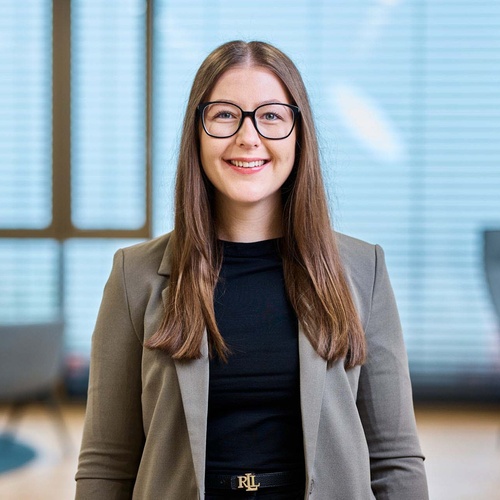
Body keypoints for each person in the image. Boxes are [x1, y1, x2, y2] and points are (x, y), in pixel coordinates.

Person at [75, 40, 429, 499]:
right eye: (225, 114)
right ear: (197, 131)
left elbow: (394, 459)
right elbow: (107, 463)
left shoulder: (364, 271)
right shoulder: (134, 276)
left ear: (299, 134)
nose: (248, 136)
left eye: (271, 116)